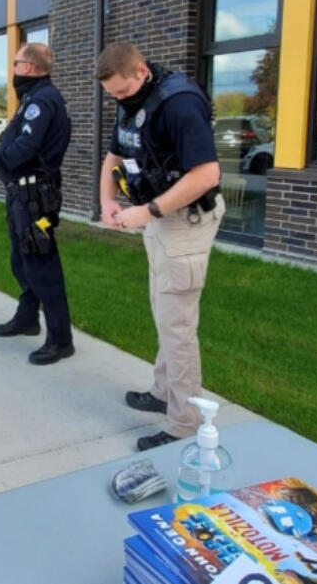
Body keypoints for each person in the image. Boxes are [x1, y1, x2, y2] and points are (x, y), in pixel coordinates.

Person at [95, 42, 223, 451]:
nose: (117, 100)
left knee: (178, 324)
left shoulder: (179, 105)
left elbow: (206, 174)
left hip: (184, 220)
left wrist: (147, 211)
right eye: (111, 95)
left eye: (121, 92)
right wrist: (107, 201)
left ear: (141, 72)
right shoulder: (132, 101)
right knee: (163, 309)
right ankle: (163, 390)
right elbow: (114, 156)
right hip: (160, 218)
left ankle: (184, 421)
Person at [0, 43, 74, 364]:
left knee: (42, 266)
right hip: (22, 195)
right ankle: (28, 316)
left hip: (35, 199)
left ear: (28, 67)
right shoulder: (33, 98)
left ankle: (61, 339)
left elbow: (25, 147)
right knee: (22, 261)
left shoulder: (42, 100)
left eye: (15, 63)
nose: (13, 69)